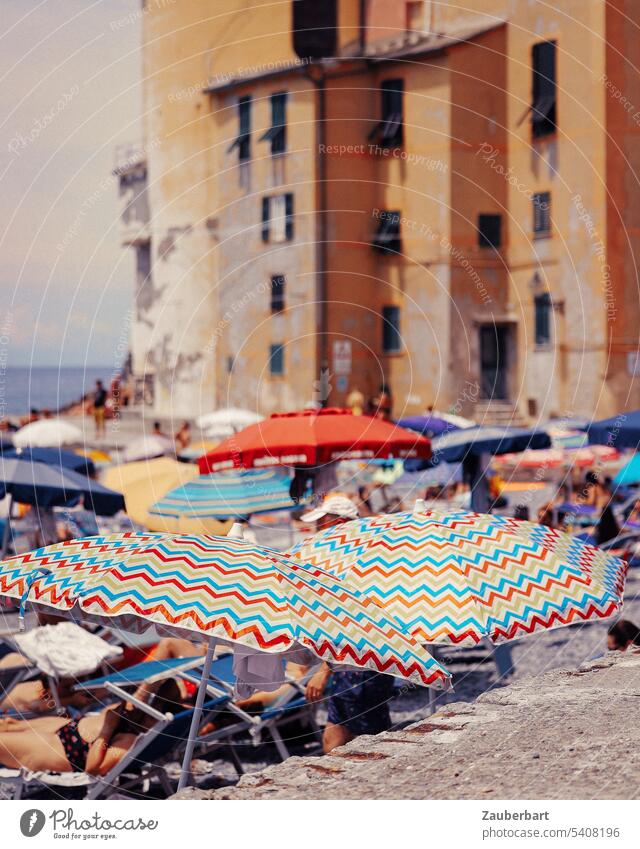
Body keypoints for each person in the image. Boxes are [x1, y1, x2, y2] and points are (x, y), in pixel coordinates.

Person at [300, 495, 395, 752]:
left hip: (357, 664)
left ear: (339, 522)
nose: (317, 530)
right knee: (367, 732)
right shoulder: (368, 555)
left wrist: (323, 671)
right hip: (368, 661)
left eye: (322, 523)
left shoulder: (352, 564)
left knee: (338, 738)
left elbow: (349, 625)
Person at [0, 678, 183, 776]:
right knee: (7, 723)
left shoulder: (129, 741)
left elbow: (94, 769)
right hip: (69, 728)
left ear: (156, 720)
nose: (145, 707)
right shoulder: (135, 716)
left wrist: (108, 728)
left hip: (63, 751)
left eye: (151, 708)